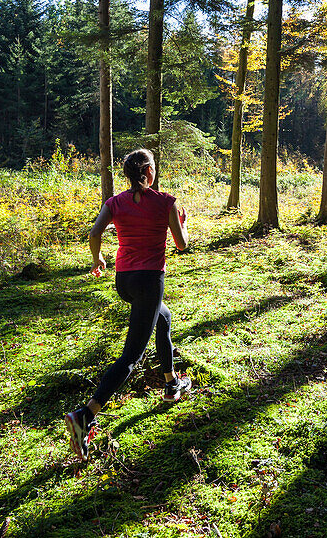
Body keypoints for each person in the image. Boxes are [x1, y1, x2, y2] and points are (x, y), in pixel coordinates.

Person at [65, 148, 191, 461]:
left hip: (124, 282)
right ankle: (85, 414)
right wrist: (182, 222)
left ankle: (171, 381)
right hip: (149, 281)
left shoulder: (115, 202)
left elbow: (95, 233)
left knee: (164, 318)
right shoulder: (167, 202)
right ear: (149, 171)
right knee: (131, 356)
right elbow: (182, 244)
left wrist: (97, 260)